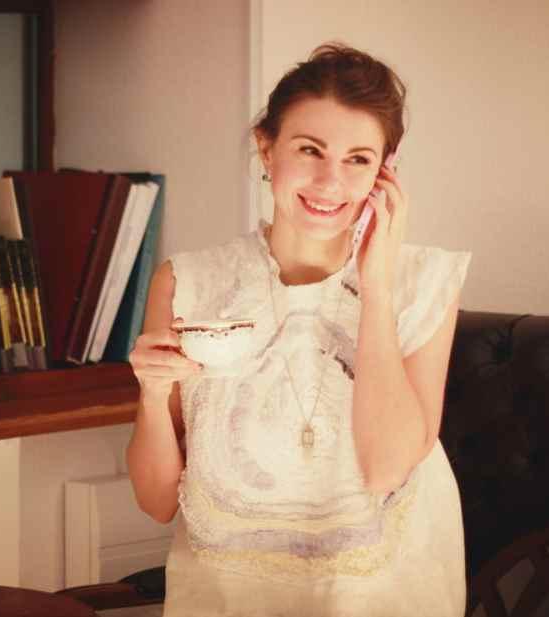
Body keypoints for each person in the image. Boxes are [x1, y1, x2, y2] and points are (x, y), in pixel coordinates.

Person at [127, 42, 472, 617]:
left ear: (385, 172)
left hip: (381, 597)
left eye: (358, 159)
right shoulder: (188, 282)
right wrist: (152, 392)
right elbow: (156, 500)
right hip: (227, 599)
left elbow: (387, 468)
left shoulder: (424, 283)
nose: (330, 181)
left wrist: (377, 285)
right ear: (266, 148)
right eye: (310, 150)